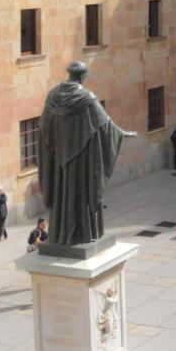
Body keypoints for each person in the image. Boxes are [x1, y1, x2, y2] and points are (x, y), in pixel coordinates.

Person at [39, 61, 137, 246]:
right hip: (81, 160)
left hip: (60, 159)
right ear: (82, 76)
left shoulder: (52, 96)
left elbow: (44, 126)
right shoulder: (87, 97)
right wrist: (123, 133)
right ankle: (82, 233)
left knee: (63, 193)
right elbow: (105, 125)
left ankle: (61, 233)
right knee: (80, 192)